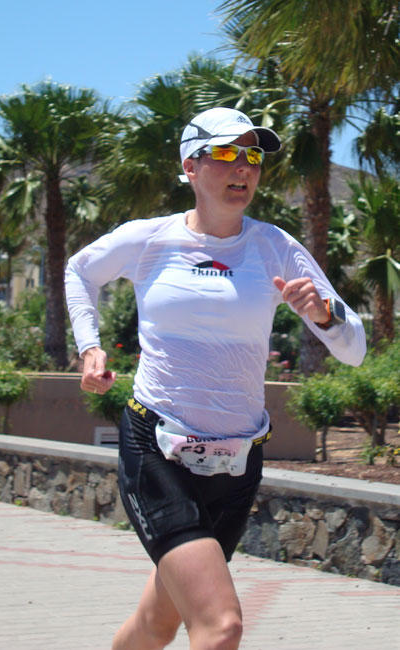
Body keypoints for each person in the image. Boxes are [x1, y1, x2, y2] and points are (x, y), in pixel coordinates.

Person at [65, 107, 366, 650]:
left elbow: (355, 349)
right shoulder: (150, 239)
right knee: (220, 625)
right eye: (226, 153)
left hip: (236, 463)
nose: (243, 167)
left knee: (156, 624)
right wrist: (90, 345)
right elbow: (78, 271)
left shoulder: (274, 246)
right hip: (158, 450)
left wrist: (324, 316)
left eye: (252, 156)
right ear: (190, 165)